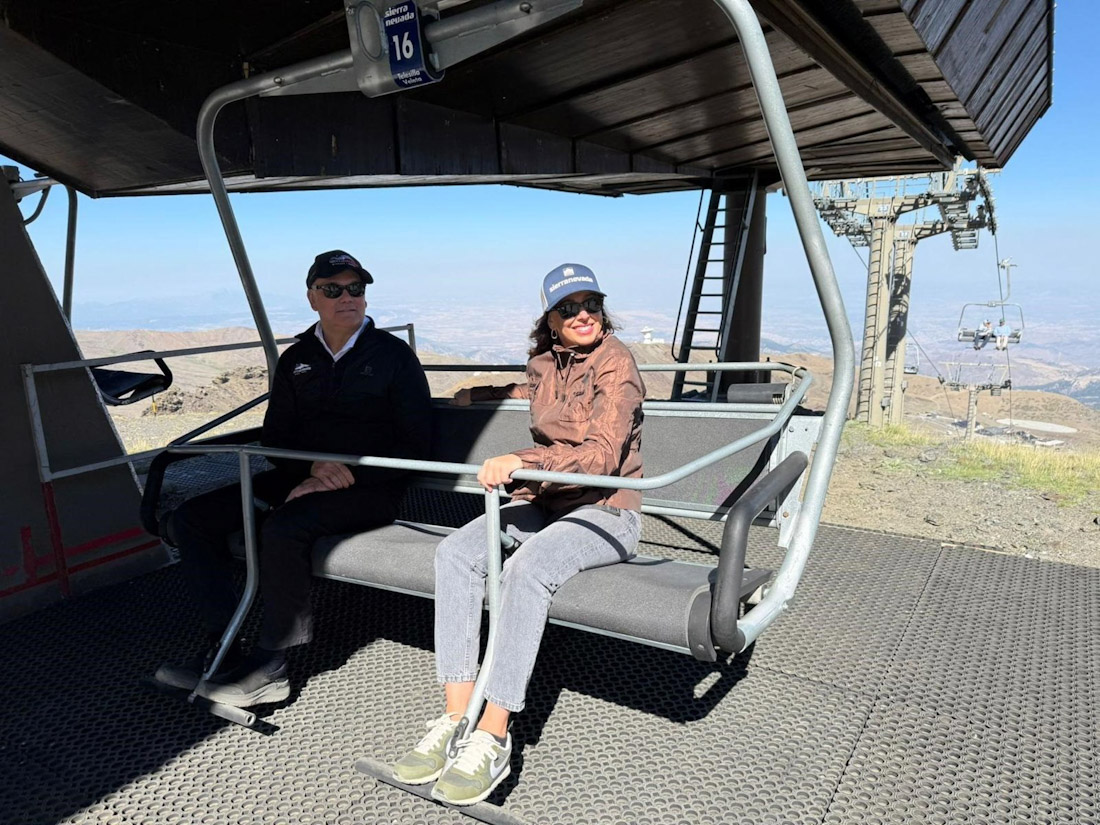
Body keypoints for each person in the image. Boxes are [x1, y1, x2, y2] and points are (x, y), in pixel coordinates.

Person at [391, 263, 645, 806]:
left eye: (591, 304)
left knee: (527, 569)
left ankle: (493, 733)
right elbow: (533, 388)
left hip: (605, 511)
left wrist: (521, 460)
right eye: (568, 308)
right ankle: (456, 718)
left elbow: (602, 455)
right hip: (545, 502)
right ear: (550, 320)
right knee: (456, 553)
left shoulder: (617, 363)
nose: (582, 315)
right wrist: (481, 392)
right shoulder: (544, 363)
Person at [153, 250, 432, 708]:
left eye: (356, 288)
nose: (347, 297)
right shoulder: (298, 359)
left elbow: (418, 443)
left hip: (372, 487)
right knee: (191, 519)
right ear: (312, 298)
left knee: (284, 526)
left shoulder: (393, 357)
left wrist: (345, 473)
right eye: (333, 289)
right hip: (301, 477)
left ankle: (271, 666)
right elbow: (276, 436)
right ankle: (222, 649)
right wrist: (310, 471)